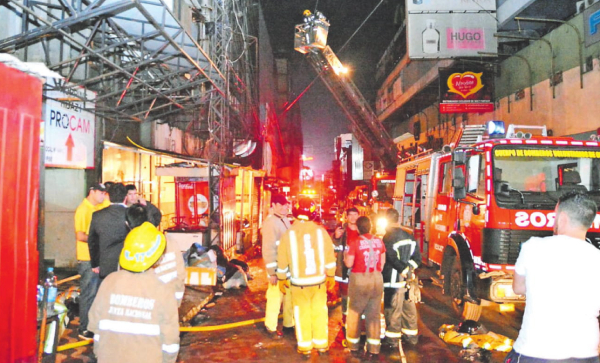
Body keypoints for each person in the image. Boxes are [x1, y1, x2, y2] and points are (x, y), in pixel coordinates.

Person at [505, 191, 600, 363]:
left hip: (536, 352)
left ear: (562, 218)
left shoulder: (533, 246)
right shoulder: (597, 257)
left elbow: (518, 288)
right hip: (587, 353)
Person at [88, 222, 180, 363]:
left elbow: (95, 324)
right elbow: (170, 341)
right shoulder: (163, 290)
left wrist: (99, 353)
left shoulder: (109, 282)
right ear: (158, 257)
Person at [277, 197, 336, 356]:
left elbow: (282, 260)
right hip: (318, 282)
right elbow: (330, 256)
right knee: (319, 312)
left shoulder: (289, 234)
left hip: (299, 284)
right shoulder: (321, 232)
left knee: (301, 314)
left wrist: (282, 278)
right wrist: (331, 275)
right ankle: (321, 344)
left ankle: (305, 346)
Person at [126, 204, 186, 306]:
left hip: (146, 306)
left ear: (127, 224)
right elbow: (181, 274)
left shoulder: (129, 249)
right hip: (170, 301)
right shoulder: (170, 241)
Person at [344, 216, 386, 357]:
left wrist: (345, 256)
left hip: (360, 280)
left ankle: (354, 346)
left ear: (357, 227)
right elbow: (383, 262)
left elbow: (349, 263)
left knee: (354, 313)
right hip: (377, 279)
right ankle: (374, 349)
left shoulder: (355, 242)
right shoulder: (379, 241)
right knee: (373, 315)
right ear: (370, 226)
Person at [382, 208, 421, 347]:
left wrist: (403, 270)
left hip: (393, 283)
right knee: (409, 311)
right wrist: (409, 270)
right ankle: (411, 337)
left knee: (392, 312)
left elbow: (391, 257)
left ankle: (392, 339)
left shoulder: (388, 237)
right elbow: (417, 258)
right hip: (408, 283)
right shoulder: (409, 236)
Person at [73, 183, 107, 340]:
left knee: (96, 294)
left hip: (96, 258)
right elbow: (80, 236)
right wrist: (97, 239)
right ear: (92, 192)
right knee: (88, 294)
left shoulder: (97, 208)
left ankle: (92, 325)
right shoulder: (83, 210)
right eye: (100, 193)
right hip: (87, 259)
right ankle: (83, 328)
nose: (103, 196)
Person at [261, 194, 294, 337]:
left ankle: (288, 324)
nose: (283, 207)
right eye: (280, 205)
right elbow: (268, 249)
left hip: (286, 268)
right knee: (275, 297)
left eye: (285, 205)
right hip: (278, 269)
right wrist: (272, 272)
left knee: (288, 298)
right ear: (273, 205)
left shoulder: (284, 219)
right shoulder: (270, 223)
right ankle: (271, 326)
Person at [88, 183, 129, 279]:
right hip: (128, 264)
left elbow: (93, 242)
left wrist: (95, 264)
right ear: (125, 197)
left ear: (109, 196)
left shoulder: (97, 215)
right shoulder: (132, 214)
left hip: (106, 265)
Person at [332, 207, 360, 328]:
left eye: (355, 215)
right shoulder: (342, 231)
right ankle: (345, 319)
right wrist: (336, 237)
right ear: (347, 217)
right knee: (345, 296)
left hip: (359, 269)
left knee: (358, 296)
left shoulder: (362, 230)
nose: (353, 217)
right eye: (351, 215)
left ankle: (357, 321)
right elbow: (333, 247)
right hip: (344, 269)